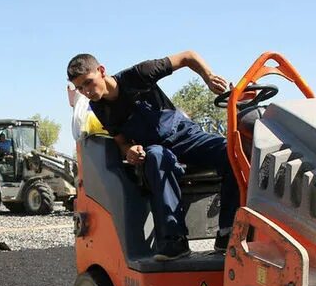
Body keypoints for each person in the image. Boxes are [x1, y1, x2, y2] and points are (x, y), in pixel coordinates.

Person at [66, 51, 236, 261]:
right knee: (156, 157)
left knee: (231, 151)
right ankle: (174, 242)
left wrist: (208, 77)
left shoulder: (139, 74)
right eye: (80, 88)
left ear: (101, 71)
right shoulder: (99, 107)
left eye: (88, 83)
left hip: (184, 135)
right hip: (157, 148)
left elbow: (187, 57)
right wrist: (128, 150)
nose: (86, 91)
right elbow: (120, 141)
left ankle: (227, 233)